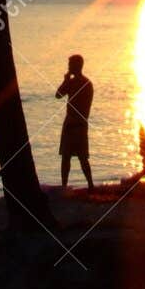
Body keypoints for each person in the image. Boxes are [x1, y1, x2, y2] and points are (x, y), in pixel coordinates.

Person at [55, 54, 94, 190]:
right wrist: (66, 81)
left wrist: (66, 81)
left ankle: (87, 184)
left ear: (77, 66)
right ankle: (84, 185)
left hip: (76, 124)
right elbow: (58, 95)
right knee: (69, 157)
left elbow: (59, 95)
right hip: (75, 123)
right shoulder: (80, 83)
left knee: (78, 157)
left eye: (70, 65)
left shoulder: (81, 83)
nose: (69, 68)